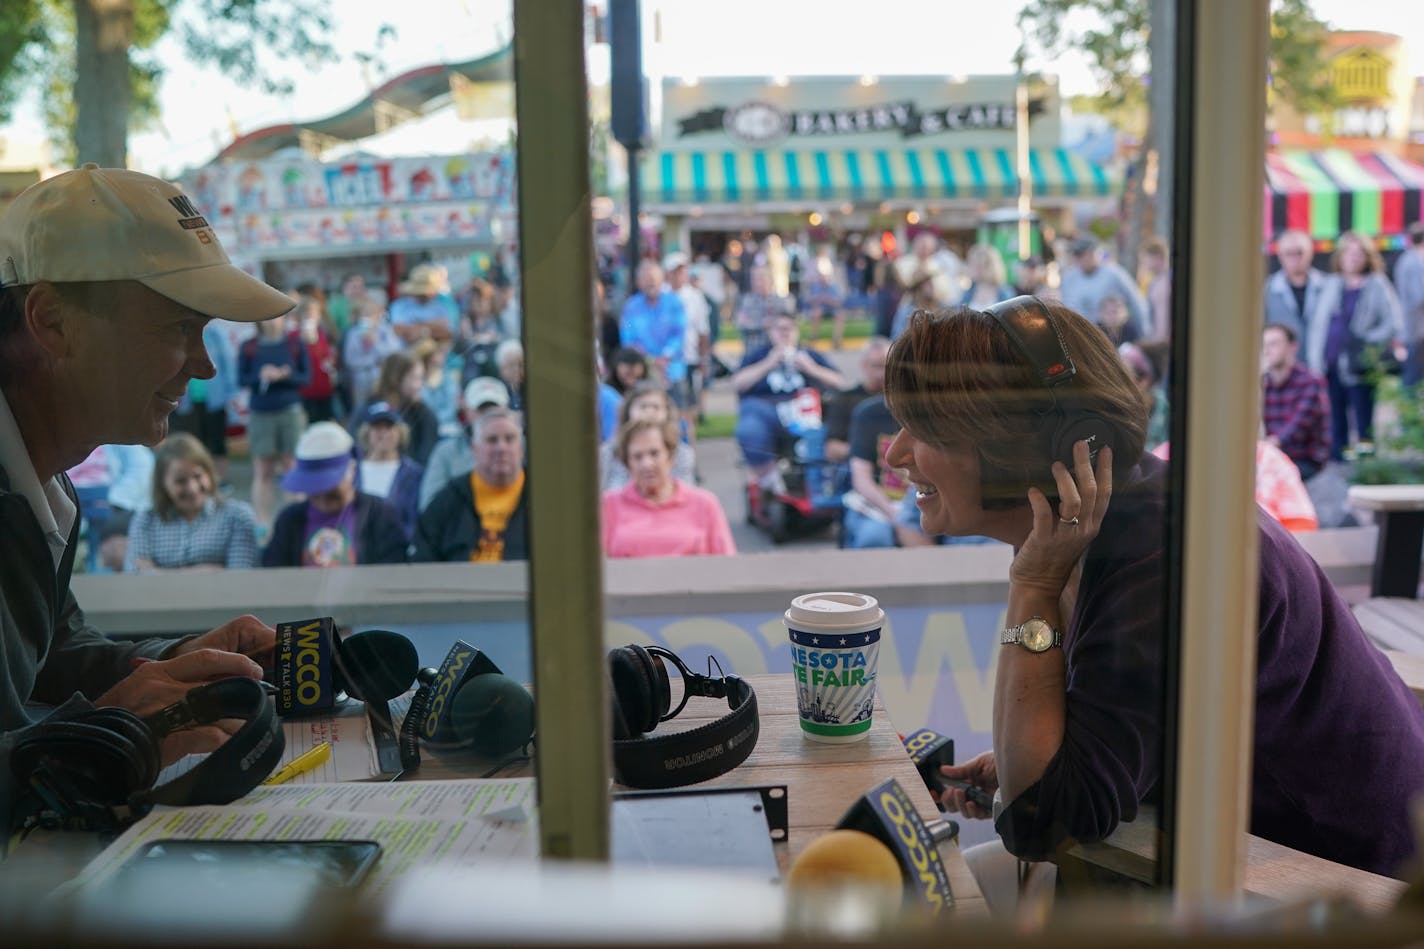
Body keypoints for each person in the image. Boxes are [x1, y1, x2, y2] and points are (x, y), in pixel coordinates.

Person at [882, 299, 1424, 885]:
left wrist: (1033, 587)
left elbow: (1042, 823)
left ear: (1027, 452)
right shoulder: (1098, 528)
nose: (896, 453)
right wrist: (1057, 754)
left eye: (927, 431)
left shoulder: (1162, 556)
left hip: (1346, 890)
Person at [0, 164, 294, 834]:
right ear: (52, 321)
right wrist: (105, 742)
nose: (205, 364)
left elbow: (51, 647)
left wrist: (178, 664)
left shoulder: (39, 476)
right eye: (177, 328)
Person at [1305, 230, 1403, 461]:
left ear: (1367, 257)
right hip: (1331, 360)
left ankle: (1365, 458)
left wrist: (1368, 339)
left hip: (1360, 362)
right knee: (1335, 412)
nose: (1353, 258)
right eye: (1349, 253)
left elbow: (1393, 322)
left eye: (1359, 254)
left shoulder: (1376, 284)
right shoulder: (1330, 283)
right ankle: (1338, 456)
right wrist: (1315, 358)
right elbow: (1318, 323)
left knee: (1363, 412)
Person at [262, 421, 408, 568]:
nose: (322, 496)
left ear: (352, 470)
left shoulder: (381, 515)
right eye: (313, 488)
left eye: (330, 488)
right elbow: (273, 570)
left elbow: (394, 569)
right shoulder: (289, 520)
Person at [732, 311, 847, 490]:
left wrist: (812, 369)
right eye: (779, 329)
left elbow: (840, 382)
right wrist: (768, 363)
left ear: (797, 332)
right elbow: (738, 383)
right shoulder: (759, 355)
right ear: (770, 332)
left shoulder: (809, 355)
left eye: (789, 329)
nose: (784, 333)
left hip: (807, 412)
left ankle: (822, 483)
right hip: (767, 411)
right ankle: (771, 482)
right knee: (750, 424)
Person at [601, 419, 735, 559]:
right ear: (627, 463)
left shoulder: (705, 503)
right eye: (637, 457)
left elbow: (728, 566)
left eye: (654, 453)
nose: (647, 464)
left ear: (671, 456)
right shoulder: (609, 504)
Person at [125, 432, 259, 572]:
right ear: (163, 484)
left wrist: (158, 571)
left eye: (198, 476)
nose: (192, 488)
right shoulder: (146, 520)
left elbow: (240, 578)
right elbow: (135, 576)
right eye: (180, 481)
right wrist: (209, 571)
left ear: (210, 473)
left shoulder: (237, 516)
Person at [415, 407, 529, 562]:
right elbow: (423, 564)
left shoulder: (542, 499)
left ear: (521, 448)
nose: (501, 448)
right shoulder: (447, 503)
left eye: (509, 439)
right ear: (474, 450)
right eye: (492, 440)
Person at [238, 309, 310, 528]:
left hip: (290, 410)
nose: (272, 321)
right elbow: (242, 379)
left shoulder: (295, 344)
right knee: (263, 469)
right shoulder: (249, 346)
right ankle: (262, 523)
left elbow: (306, 377)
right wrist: (261, 375)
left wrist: (285, 375)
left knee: (292, 465)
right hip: (261, 412)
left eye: (277, 315)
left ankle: (295, 521)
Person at [418, 376, 511, 512]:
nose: (487, 417)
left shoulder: (523, 448)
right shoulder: (446, 452)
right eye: (481, 410)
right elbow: (429, 506)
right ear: (466, 410)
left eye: (494, 411)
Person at [1260, 323, 1329, 482]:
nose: (1267, 350)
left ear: (1293, 347)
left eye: (1274, 344)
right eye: (1264, 345)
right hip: (1272, 458)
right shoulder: (1263, 384)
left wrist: (1267, 446)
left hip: (1303, 461)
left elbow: (1298, 425)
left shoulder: (1311, 381)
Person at [599, 382, 696, 492]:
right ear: (628, 411)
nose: (649, 412)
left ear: (667, 412)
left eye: (656, 407)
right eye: (643, 406)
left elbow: (687, 495)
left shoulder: (682, 453)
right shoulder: (609, 451)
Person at [620, 260, 689, 405]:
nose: (650, 283)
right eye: (646, 279)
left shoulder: (674, 303)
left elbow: (679, 334)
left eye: (654, 279)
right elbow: (628, 337)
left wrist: (665, 356)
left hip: (672, 370)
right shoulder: (631, 307)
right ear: (639, 282)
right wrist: (650, 360)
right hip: (642, 372)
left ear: (662, 280)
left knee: (679, 416)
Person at [355, 402, 424, 542]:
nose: (384, 433)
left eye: (389, 427)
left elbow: (415, 519)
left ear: (400, 432)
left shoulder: (414, 474)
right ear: (367, 432)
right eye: (377, 428)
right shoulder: (351, 471)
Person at [359, 350, 439, 467]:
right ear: (396, 379)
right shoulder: (369, 408)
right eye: (415, 378)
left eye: (422, 378)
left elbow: (426, 457)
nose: (420, 385)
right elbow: (358, 448)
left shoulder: (421, 413)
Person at [1058, 236, 1150, 338]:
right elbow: (1065, 309)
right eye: (1077, 255)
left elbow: (1136, 302)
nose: (1080, 259)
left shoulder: (1114, 274)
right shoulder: (1069, 278)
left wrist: (1144, 333)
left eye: (1083, 254)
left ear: (1095, 253)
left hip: (1110, 337)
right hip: (1080, 337)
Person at [823, 337, 891, 464]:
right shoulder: (845, 399)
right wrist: (867, 452)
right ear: (864, 365)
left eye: (886, 366)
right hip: (858, 467)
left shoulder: (900, 401)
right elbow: (832, 449)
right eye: (876, 366)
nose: (881, 373)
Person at [1262, 229, 1326, 348]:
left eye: (1299, 252)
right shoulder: (1267, 289)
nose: (1294, 258)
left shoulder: (1328, 287)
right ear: (1280, 256)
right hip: (1283, 363)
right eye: (1289, 253)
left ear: (1310, 253)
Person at [340, 297, 402, 411]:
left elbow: (393, 355)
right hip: (360, 381)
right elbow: (350, 360)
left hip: (383, 379)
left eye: (371, 314)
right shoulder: (353, 334)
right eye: (364, 314)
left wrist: (376, 344)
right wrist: (372, 360)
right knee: (360, 409)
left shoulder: (385, 332)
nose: (367, 317)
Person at [389, 263, 458, 345]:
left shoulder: (441, 305)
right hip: (405, 354)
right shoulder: (400, 306)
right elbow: (399, 330)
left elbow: (448, 333)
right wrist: (432, 327)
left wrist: (421, 330)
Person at [733, 264, 795, 353]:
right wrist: (763, 324)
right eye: (754, 279)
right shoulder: (747, 301)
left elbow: (788, 327)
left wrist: (754, 323)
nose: (757, 283)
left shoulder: (782, 302)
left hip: (777, 353)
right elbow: (741, 324)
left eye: (761, 278)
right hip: (753, 352)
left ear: (771, 279)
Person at [1393, 221, 1424, 388]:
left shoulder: (1408, 259)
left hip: (1415, 327)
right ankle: (1408, 412)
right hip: (1416, 328)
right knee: (1413, 375)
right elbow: (1419, 297)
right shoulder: (1413, 262)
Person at [959, 244, 1015, 309]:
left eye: (973, 264)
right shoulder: (967, 293)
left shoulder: (1005, 293)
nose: (969, 268)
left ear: (986, 267)